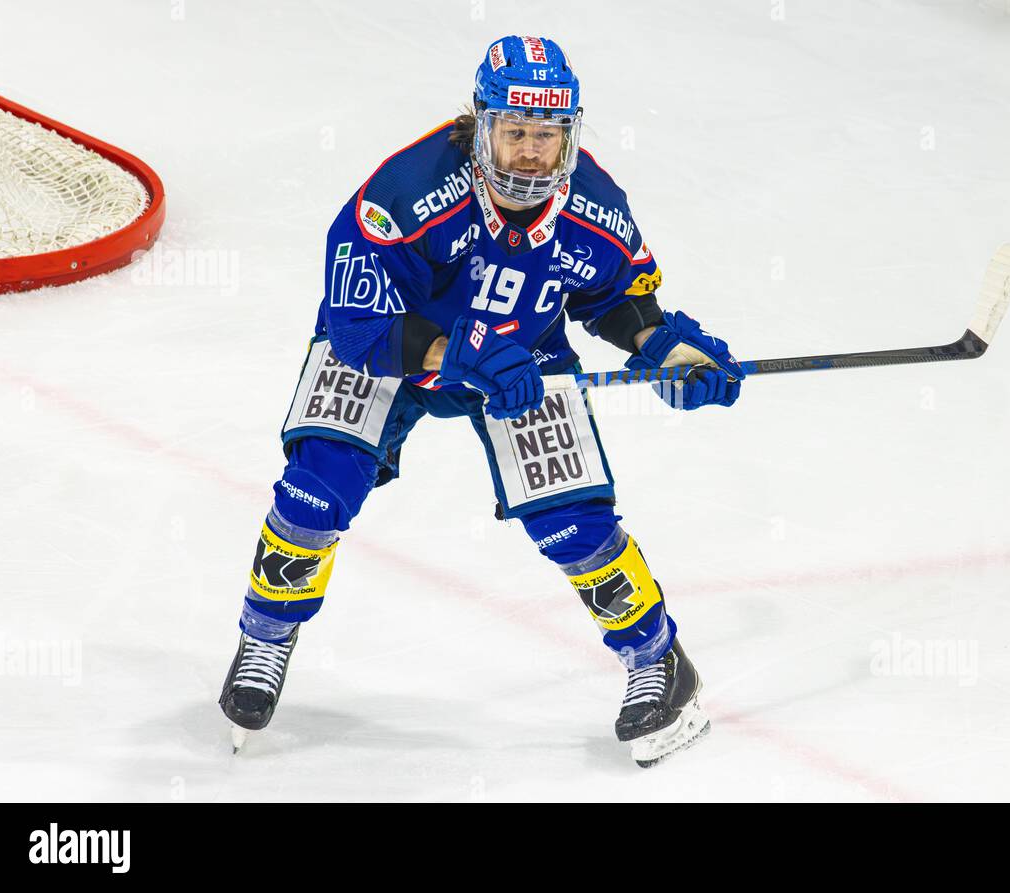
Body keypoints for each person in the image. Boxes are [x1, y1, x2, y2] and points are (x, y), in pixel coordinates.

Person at [218, 35, 744, 768]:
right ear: (481, 124)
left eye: (548, 134)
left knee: (575, 524)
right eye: (516, 131)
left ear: (570, 132)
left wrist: (665, 349)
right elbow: (354, 321)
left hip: (521, 358)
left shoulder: (596, 205)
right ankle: (266, 636)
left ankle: (660, 660)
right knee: (315, 492)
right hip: (396, 347)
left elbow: (618, 298)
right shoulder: (407, 192)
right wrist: (452, 352)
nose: (531, 152)